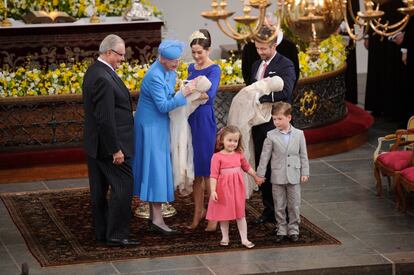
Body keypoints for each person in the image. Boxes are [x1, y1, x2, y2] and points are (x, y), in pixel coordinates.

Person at [132, 39, 196, 234]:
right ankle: (158, 220)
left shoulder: (169, 71)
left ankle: (155, 218)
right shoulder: (154, 76)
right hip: (150, 126)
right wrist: (183, 93)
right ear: (161, 58)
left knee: (157, 169)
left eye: (177, 60)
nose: (176, 64)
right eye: (172, 61)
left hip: (159, 124)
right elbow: (163, 105)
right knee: (156, 170)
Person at [82, 34, 137, 246]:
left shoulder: (95, 71)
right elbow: (105, 118)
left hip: (96, 144)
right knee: (123, 185)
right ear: (108, 52)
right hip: (109, 146)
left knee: (99, 190)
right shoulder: (103, 77)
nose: (123, 59)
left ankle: (102, 231)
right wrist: (116, 149)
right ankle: (117, 235)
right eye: (120, 55)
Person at [249, 26, 297, 225]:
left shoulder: (285, 64)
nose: (260, 52)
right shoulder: (255, 65)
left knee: (278, 168)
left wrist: (261, 97)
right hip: (260, 124)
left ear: (274, 45)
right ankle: (269, 208)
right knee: (264, 167)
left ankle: (284, 211)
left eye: (264, 48)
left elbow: (286, 91)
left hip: (276, 122)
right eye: (258, 48)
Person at [256, 102, 309, 242]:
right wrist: (260, 174)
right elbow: (264, 157)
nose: (276, 122)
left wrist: (305, 172)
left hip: (294, 175)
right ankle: (281, 228)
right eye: (274, 119)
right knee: (279, 204)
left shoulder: (299, 134)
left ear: (289, 117)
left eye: (279, 119)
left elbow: (303, 155)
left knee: (294, 204)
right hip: (277, 175)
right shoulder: (271, 135)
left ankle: (293, 229)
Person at [186, 29, 222, 231]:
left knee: (207, 171)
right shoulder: (191, 67)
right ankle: (198, 212)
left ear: (207, 50)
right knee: (195, 173)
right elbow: (189, 90)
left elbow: (210, 93)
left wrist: (189, 94)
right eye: (193, 52)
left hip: (204, 120)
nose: (197, 56)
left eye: (200, 52)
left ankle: (214, 215)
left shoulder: (214, 69)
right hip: (190, 119)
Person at [206, 125, 264, 248]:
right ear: (222, 140)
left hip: (237, 188)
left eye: (235, 141)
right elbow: (213, 175)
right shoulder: (217, 157)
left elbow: (247, 167)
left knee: (240, 213)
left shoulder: (239, 154)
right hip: (223, 189)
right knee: (224, 213)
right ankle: (225, 237)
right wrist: (213, 191)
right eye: (230, 140)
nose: (233, 143)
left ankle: (244, 239)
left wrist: (255, 176)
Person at [364, 0, 406, 119]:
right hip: (376, 22)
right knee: (376, 65)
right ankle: (377, 105)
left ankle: (391, 108)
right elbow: (368, 6)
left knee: (392, 65)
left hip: (396, 20)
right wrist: (367, 33)